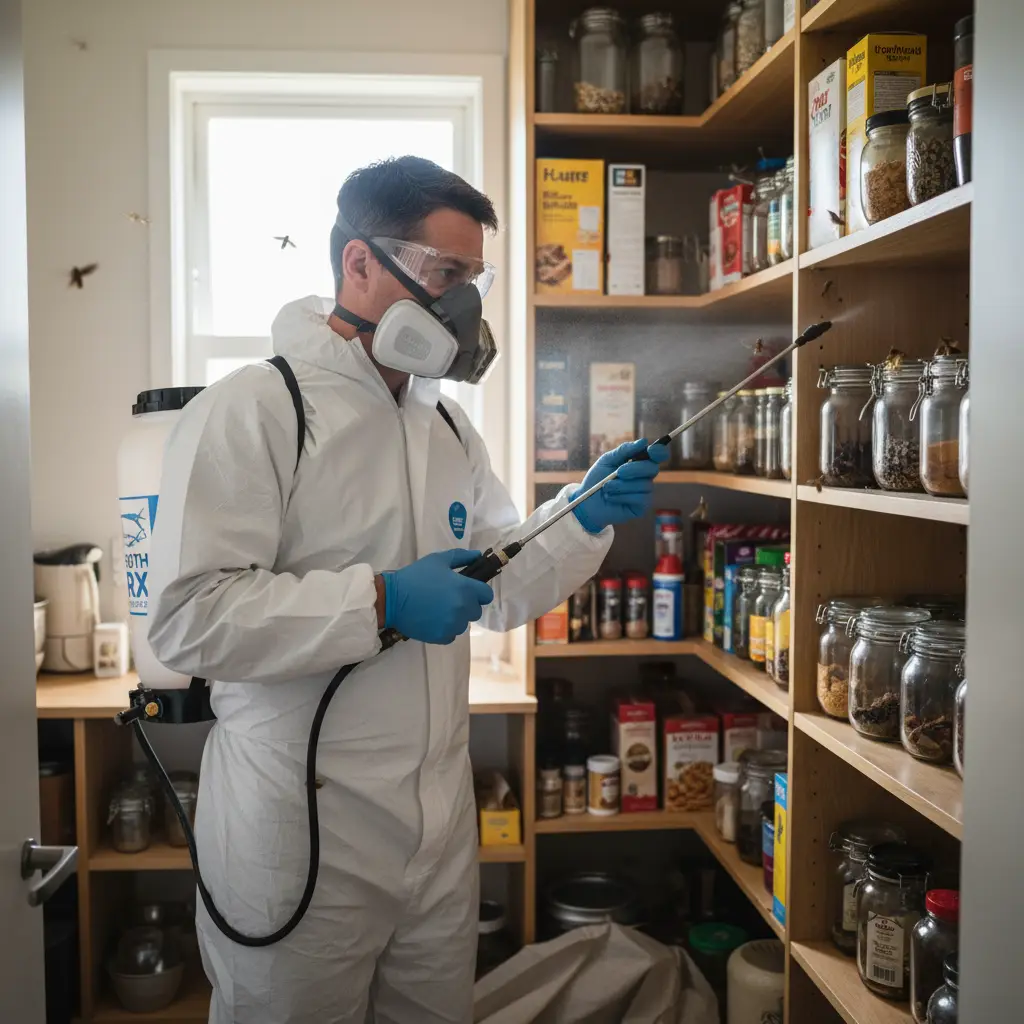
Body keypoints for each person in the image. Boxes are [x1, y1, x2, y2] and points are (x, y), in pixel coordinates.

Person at [147, 156, 669, 1024]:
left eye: (475, 279)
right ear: (358, 264)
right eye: (445, 275)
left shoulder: (446, 423)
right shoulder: (256, 409)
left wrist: (579, 514)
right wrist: (381, 604)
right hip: (301, 834)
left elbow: (498, 582)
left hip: (436, 829)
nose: (462, 305)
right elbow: (191, 618)